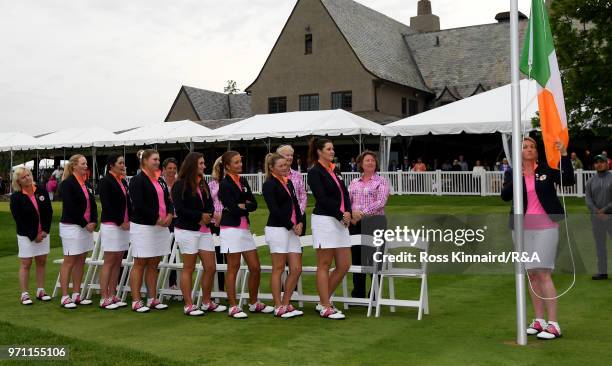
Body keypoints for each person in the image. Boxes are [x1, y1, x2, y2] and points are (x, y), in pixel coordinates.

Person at [501, 137, 574, 340]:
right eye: (525, 147)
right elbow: (505, 196)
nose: (529, 149)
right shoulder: (512, 172)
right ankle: (539, 320)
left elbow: (568, 180)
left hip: (546, 227)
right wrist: (519, 175)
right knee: (531, 274)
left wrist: (565, 156)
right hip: (521, 229)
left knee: (543, 273)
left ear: (537, 151)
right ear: (519, 152)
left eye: (532, 146)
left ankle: (553, 323)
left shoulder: (546, 169)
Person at [218, 150, 274, 318]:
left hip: (244, 229)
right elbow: (234, 209)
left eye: (240, 161)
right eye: (236, 162)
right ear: (227, 166)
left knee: (255, 267)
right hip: (230, 230)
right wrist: (241, 205)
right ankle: (233, 306)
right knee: (233, 268)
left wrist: (242, 205)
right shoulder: (225, 184)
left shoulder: (243, 180)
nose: (240, 164)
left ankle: (253, 302)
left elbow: (254, 204)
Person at [172, 152, 227, 316]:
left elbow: (210, 203)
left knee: (211, 267)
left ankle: (206, 302)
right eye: (201, 163)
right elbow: (180, 209)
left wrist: (208, 215)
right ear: (192, 164)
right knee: (188, 268)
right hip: (186, 230)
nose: (204, 166)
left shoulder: (203, 182)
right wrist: (199, 217)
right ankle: (188, 305)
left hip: (204, 230)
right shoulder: (179, 184)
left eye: (204, 163)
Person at [307, 138, 352, 320]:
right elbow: (322, 197)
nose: (332, 151)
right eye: (329, 149)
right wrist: (341, 213)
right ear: (319, 151)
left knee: (344, 264)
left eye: (333, 148)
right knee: (324, 264)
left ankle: (322, 301)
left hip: (341, 220)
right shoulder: (315, 172)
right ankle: (326, 305)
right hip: (325, 220)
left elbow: (345, 193)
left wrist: (347, 211)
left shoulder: (336, 170)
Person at [128, 149, 173, 313]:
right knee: (140, 263)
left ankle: (152, 298)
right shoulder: (137, 180)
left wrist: (169, 214)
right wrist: (156, 218)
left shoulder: (160, 180)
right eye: (154, 159)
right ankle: (136, 300)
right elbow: (139, 205)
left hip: (160, 227)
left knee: (154, 263)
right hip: (143, 227)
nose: (157, 162)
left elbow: (168, 200)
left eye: (158, 159)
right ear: (145, 161)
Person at [262, 153, 304, 318]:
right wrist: (291, 225)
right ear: (272, 168)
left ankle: (286, 302)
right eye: (281, 166)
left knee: (296, 268)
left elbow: (296, 204)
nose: (285, 168)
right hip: (278, 229)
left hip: (292, 229)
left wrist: (300, 222)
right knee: (278, 268)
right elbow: (275, 210)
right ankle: (278, 305)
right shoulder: (269, 185)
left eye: (286, 165)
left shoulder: (289, 182)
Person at [348, 151, 389, 298]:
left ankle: (375, 294)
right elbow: (348, 201)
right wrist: (352, 214)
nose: (370, 162)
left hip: (375, 222)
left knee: (374, 259)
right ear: (361, 164)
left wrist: (362, 213)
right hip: (355, 224)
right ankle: (358, 294)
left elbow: (381, 201)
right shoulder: (354, 182)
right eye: (367, 160)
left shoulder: (381, 181)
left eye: (372, 160)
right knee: (357, 259)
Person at [58, 154, 97, 308]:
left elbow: (93, 204)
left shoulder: (86, 183)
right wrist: (84, 223)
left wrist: (93, 221)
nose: (85, 166)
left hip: (85, 227)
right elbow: (70, 207)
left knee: (81, 260)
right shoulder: (68, 184)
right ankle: (65, 296)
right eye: (82, 163)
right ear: (74, 166)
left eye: (86, 163)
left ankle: (76, 294)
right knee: (69, 260)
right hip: (72, 227)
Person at [10, 167, 53, 305]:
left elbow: (48, 211)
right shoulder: (16, 197)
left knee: (41, 261)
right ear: (18, 181)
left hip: (43, 234)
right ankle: (24, 294)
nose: (27, 178)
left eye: (28, 175)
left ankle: (40, 290)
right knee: (26, 263)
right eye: (23, 177)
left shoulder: (41, 190)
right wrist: (33, 235)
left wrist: (45, 230)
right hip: (26, 235)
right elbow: (19, 219)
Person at [98, 154, 131, 310]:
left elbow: (127, 204)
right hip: (112, 225)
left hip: (124, 226)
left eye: (123, 163)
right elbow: (108, 205)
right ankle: (104, 296)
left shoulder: (123, 181)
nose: (123, 165)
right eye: (120, 163)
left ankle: (113, 294)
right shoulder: (105, 181)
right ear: (111, 165)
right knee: (110, 260)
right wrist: (120, 222)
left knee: (118, 260)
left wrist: (128, 220)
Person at [585, 154, 612, 280]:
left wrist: (605, 210)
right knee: (600, 245)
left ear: (607, 163)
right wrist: (597, 212)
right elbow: (588, 199)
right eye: (596, 162)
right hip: (596, 218)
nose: (599, 164)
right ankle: (602, 272)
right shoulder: (590, 181)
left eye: (601, 162)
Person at [277, 145, 307, 234]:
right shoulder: (275, 176)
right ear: (279, 157)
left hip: (299, 216)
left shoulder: (297, 175)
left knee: (299, 245)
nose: (290, 157)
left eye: (291, 155)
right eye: (287, 155)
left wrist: (299, 214)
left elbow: (303, 195)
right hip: (282, 217)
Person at [161, 158, 179, 292]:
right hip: (165, 220)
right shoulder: (160, 182)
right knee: (167, 250)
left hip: (179, 220)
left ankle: (175, 282)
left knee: (177, 251)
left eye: (174, 168)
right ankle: (169, 281)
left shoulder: (180, 182)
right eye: (170, 168)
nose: (172, 170)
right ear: (164, 169)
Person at [208, 156, 226, 291]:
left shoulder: (232, 183)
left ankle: (230, 286)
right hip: (214, 223)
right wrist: (215, 215)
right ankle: (220, 287)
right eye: (219, 166)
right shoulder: (211, 184)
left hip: (229, 222)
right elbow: (208, 204)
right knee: (218, 255)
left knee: (230, 256)